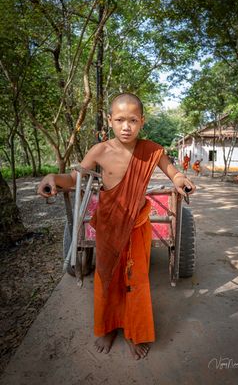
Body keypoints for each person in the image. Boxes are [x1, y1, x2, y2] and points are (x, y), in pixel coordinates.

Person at [38, 93, 196, 360]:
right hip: (109, 225)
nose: (126, 126)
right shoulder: (99, 151)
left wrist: (181, 180)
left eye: (133, 120)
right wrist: (52, 177)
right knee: (106, 277)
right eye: (120, 119)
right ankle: (108, 327)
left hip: (138, 224)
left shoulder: (151, 150)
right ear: (109, 120)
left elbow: (173, 172)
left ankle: (136, 331)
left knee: (137, 278)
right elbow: (74, 178)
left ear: (142, 121)